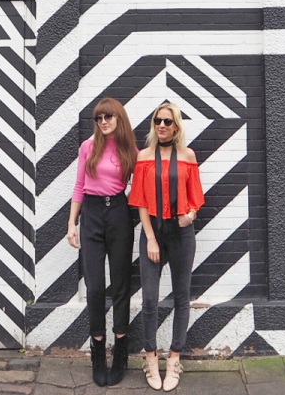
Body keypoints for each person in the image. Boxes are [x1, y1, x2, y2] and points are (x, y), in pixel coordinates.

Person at [128, 102, 204, 391]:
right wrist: (150, 239)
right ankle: (151, 358)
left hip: (182, 235)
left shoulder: (187, 156)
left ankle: (174, 358)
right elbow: (141, 202)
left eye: (167, 121)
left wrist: (191, 214)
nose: (161, 125)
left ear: (176, 126)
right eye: (157, 120)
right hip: (153, 232)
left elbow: (196, 195)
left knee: (181, 297)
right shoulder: (144, 157)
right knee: (149, 299)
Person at [67, 97, 138, 387]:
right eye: (99, 118)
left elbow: (142, 184)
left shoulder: (130, 150)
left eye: (108, 117)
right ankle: (98, 350)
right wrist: (72, 222)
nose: (103, 122)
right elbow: (79, 186)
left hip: (120, 213)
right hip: (92, 214)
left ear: (119, 119)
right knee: (95, 285)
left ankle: (120, 351)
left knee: (121, 283)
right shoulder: (88, 147)